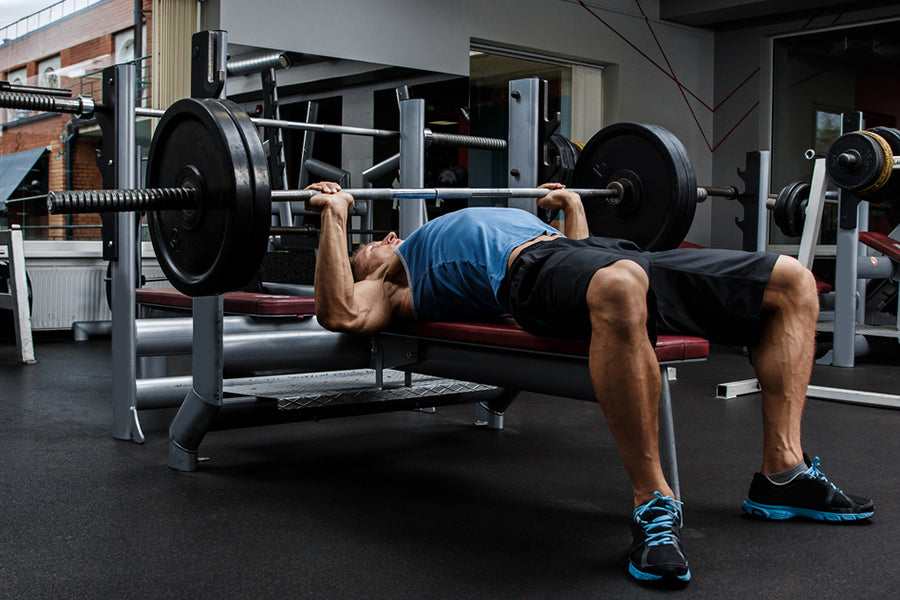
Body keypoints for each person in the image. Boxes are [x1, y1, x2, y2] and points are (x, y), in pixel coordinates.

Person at [304, 180, 874, 587]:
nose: (381, 236)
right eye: (366, 245)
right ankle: (654, 502)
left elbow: (577, 266)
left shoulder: (421, 242)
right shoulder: (394, 284)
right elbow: (340, 313)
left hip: (590, 253)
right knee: (621, 287)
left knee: (793, 282)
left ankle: (783, 472)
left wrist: (571, 207)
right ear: (363, 266)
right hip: (525, 275)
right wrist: (334, 218)